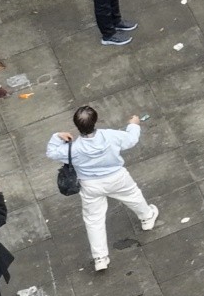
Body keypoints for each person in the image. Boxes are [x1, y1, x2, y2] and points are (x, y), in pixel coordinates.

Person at [43, 105, 158, 270]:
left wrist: (57, 136)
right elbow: (131, 140)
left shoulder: (72, 149)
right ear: (95, 121)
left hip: (90, 185)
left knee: (93, 220)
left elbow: (52, 152)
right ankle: (147, 218)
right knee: (134, 196)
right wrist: (133, 124)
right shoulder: (110, 135)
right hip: (117, 177)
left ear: (77, 126)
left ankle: (100, 258)